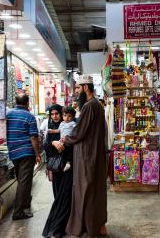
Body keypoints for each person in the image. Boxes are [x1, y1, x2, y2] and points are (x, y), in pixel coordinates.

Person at [52, 74, 108, 237]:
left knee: (85, 191)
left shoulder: (89, 106)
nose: (76, 91)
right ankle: (97, 225)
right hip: (94, 154)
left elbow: (79, 132)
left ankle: (86, 227)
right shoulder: (97, 105)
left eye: (77, 88)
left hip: (87, 156)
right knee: (94, 191)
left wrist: (65, 139)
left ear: (85, 88)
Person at [6, 94, 41, 220]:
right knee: (24, 182)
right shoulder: (29, 116)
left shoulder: (8, 115)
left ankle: (25, 205)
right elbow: (33, 137)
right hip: (26, 152)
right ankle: (18, 212)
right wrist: (37, 154)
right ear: (27, 102)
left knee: (22, 181)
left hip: (13, 152)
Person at [42, 104, 75, 238]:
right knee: (58, 197)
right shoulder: (51, 130)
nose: (55, 116)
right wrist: (52, 143)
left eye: (57, 114)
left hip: (67, 168)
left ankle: (59, 229)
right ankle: (57, 227)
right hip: (56, 169)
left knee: (65, 197)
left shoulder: (70, 126)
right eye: (52, 114)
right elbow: (46, 147)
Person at [55, 106, 76, 172]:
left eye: (69, 116)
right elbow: (58, 130)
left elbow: (77, 131)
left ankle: (68, 163)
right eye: (65, 115)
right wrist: (51, 130)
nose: (66, 118)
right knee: (62, 151)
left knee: (69, 151)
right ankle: (63, 163)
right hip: (61, 141)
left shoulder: (73, 123)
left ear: (73, 117)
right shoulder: (62, 123)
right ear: (62, 116)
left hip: (69, 141)